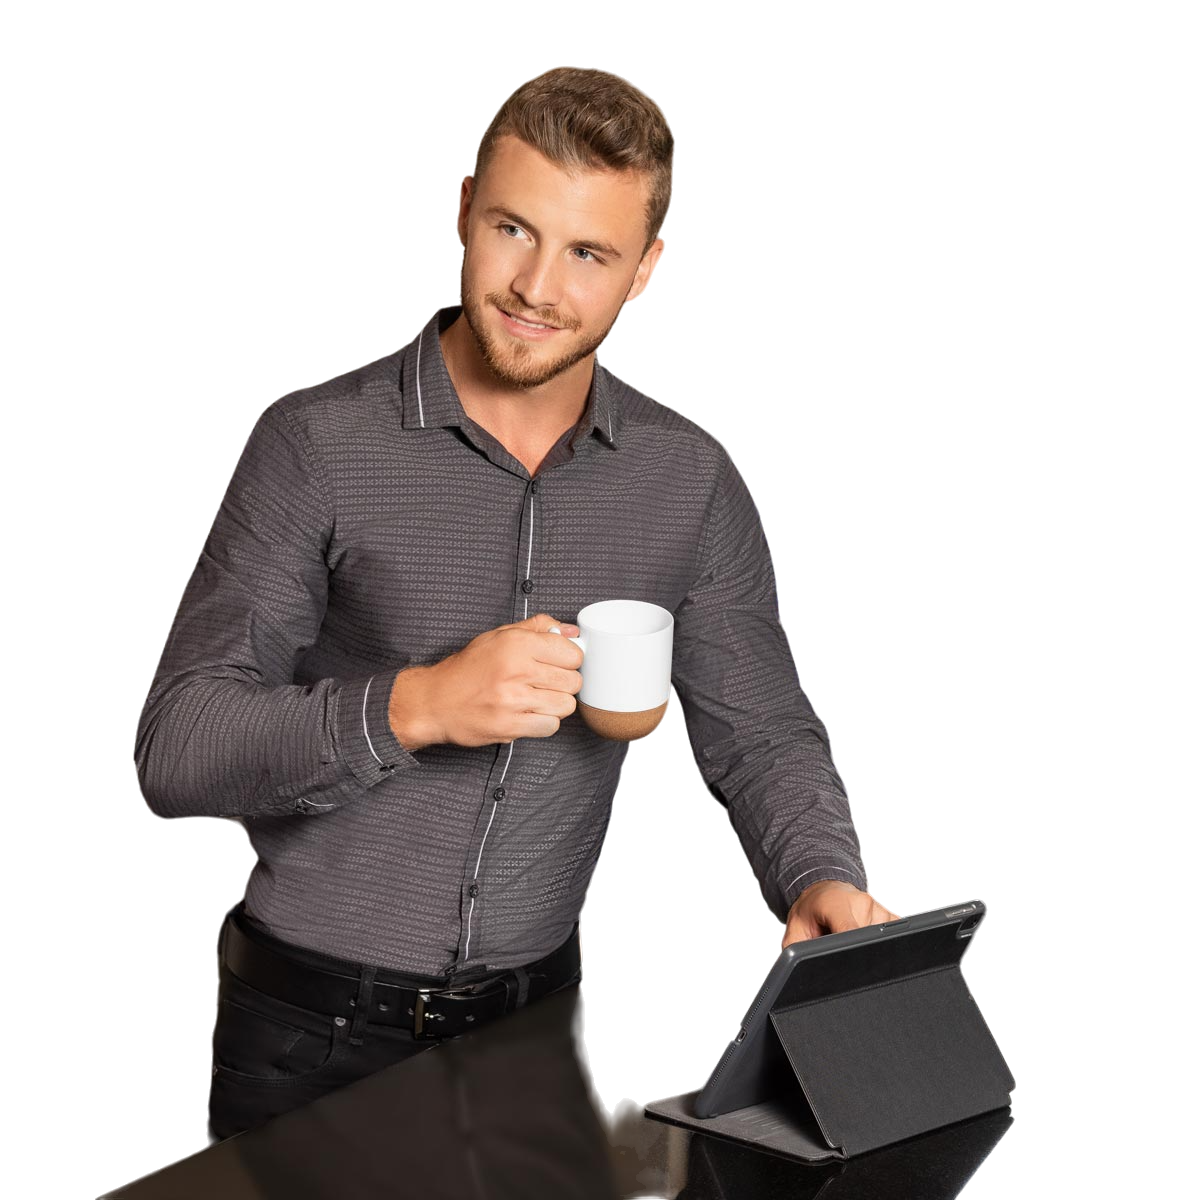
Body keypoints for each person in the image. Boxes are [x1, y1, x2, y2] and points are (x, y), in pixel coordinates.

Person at [134, 65, 897, 1144]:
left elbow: (764, 730)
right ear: (463, 210)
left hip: (537, 1039)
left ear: (644, 270)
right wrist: (418, 706)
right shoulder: (314, 443)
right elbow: (176, 751)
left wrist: (821, 873)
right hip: (307, 1038)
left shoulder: (691, 477)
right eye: (513, 229)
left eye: (588, 252)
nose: (537, 286)